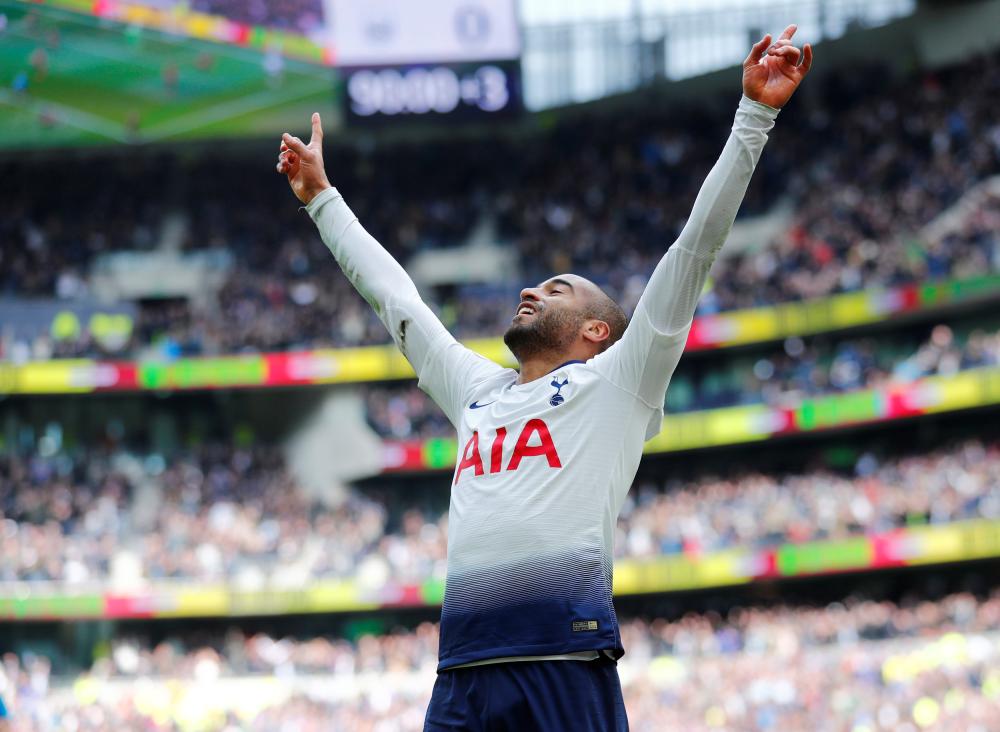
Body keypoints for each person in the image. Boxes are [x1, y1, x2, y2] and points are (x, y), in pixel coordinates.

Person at [277, 25, 811, 731]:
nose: (532, 289)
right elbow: (397, 302)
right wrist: (322, 201)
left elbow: (694, 250)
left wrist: (754, 116)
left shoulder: (620, 382)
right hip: (462, 672)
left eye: (557, 290)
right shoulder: (477, 391)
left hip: (562, 660)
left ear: (598, 330)